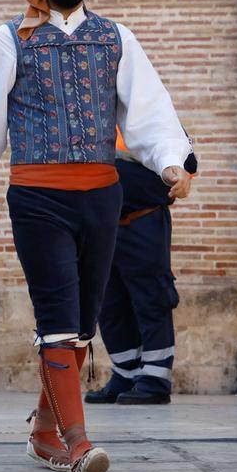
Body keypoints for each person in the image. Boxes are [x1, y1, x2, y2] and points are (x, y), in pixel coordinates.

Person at [0, 0, 192, 472]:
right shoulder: (8, 40)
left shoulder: (116, 38)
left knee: (83, 323)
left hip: (103, 194)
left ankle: (42, 430)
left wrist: (170, 162)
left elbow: (149, 112)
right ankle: (78, 446)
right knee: (58, 315)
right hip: (37, 196)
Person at [85, 131, 197, 405]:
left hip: (142, 221)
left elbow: (188, 162)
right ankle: (125, 374)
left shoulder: (151, 116)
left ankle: (155, 379)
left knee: (151, 298)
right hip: (103, 225)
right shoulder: (92, 115)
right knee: (109, 304)